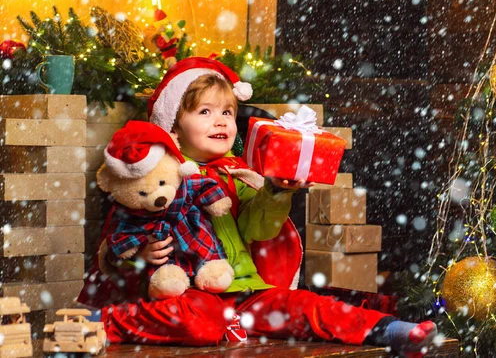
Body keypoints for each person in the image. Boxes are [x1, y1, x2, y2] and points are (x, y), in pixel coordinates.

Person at [78, 57, 438, 357]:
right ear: (172, 125)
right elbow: (120, 238)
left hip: (248, 290)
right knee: (199, 322)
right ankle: (101, 322)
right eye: (205, 111)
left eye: (227, 112)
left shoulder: (240, 175)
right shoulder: (157, 177)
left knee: (305, 307)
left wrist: (277, 192)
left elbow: (259, 230)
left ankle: (390, 331)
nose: (220, 121)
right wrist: (140, 254)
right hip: (191, 294)